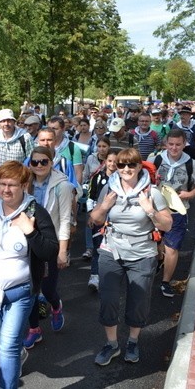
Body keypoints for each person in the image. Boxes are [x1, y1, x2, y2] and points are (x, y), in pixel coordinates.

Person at [0, 161, 58, 389]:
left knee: (6, 346)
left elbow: (49, 251)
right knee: (1, 336)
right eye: (2, 184)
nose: (6, 190)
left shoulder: (35, 212)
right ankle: (19, 353)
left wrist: (29, 230)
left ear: (25, 185)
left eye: (12, 185)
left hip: (21, 292)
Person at [90, 148, 172, 366]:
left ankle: (133, 341)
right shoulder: (109, 189)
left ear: (139, 167)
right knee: (108, 299)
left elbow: (167, 224)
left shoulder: (152, 192)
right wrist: (105, 207)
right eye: (121, 165)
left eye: (131, 165)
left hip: (142, 253)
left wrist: (151, 211)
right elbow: (95, 219)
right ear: (116, 167)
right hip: (111, 249)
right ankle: (111, 344)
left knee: (138, 301)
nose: (126, 169)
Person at [22, 147, 71, 350]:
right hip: (27, 243)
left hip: (50, 244)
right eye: (35, 162)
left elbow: (66, 220)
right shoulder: (24, 183)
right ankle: (34, 330)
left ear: (52, 162)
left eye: (44, 161)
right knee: (31, 289)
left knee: (48, 288)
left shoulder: (63, 186)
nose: (39, 165)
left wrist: (61, 251)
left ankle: (56, 306)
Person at [151, 129, 195, 297]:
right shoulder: (156, 159)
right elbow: (144, 177)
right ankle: (158, 261)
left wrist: (190, 194)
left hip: (177, 211)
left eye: (178, 145)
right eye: (171, 144)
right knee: (154, 244)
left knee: (172, 247)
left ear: (184, 144)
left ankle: (165, 281)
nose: (174, 148)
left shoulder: (191, 164)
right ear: (165, 144)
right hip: (155, 210)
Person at [85, 149, 118, 291]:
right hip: (99, 218)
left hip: (114, 221)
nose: (112, 164)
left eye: (116, 162)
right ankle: (94, 275)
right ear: (105, 162)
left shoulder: (121, 179)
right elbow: (91, 197)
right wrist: (91, 214)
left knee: (112, 250)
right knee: (98, 248)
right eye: (110, 161)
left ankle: (110, 277)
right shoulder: (97, 177)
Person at [47, 116, 84, 184]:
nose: (51, 131)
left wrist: (76, 191)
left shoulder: (72, 148)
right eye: (49, 129)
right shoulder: (43, 146)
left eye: (54, 129)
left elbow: (78, 173)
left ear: (63, 129)